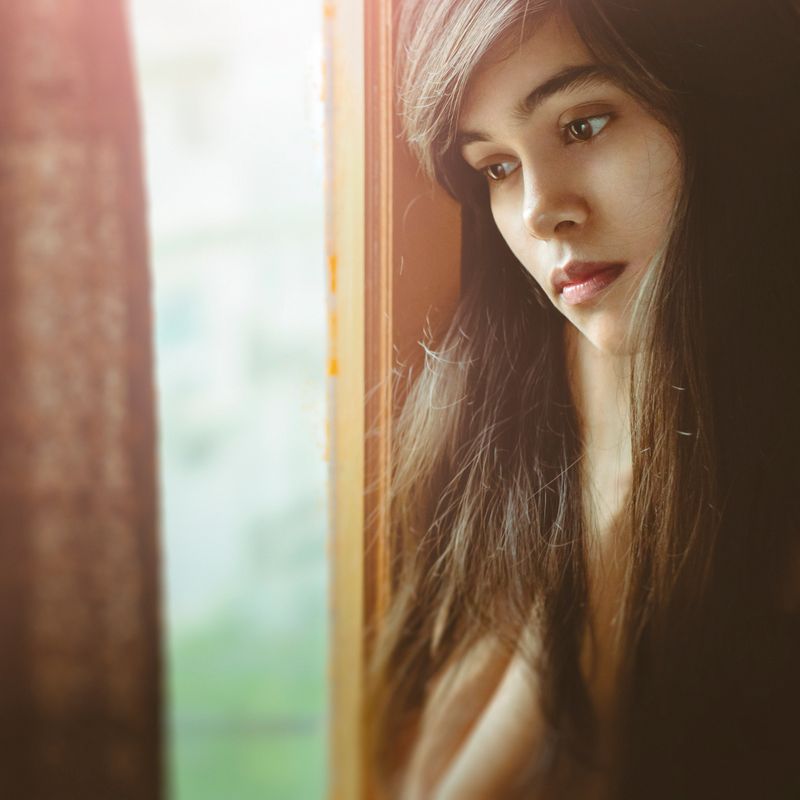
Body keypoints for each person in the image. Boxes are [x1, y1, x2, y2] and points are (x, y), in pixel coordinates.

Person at [366, 0, 800, 798]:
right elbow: (434, 780)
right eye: (497, 167)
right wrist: (610, 479)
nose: (539, 211)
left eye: (585, 125)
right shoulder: (525, 408)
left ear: (718, 107)